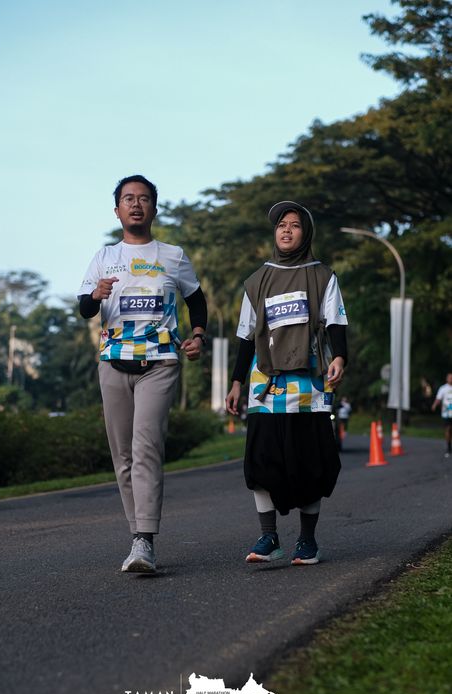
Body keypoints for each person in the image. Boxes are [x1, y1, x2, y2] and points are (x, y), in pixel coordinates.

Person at [78, 175, 207, 574]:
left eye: (144, 198)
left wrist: (198, 335)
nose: (136, 204)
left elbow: (196, 299)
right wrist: (95, 295)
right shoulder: (104, 256)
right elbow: (85, 308)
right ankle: (138, 535)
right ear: (117, 210)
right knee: (122, 457)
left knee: (146, 447)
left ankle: (144, 540)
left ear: (154, 208)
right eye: (128, 199)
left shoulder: (173, 255)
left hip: (160, 363)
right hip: (113, 363)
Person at [226, 200, 347, 565]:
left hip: (309, 387)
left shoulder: (322, 276)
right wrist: (236, 382)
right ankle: (269, 537)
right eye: (281, 225)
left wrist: (340, 357)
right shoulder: (256, 281)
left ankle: (307, 541)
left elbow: (336, 321)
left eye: (294, 224)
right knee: (261, 461)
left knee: (310, 463)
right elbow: (246, 336)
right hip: (266, 387)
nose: (287, 230)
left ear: (305, 233)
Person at [431, 373, 452, 457]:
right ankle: (448, 448)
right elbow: (438, 398)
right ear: (447, 379)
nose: (451, 379)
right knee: (448, 429)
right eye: (449, 377)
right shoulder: (443, 388)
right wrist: (434, 405)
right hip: (446, 413)